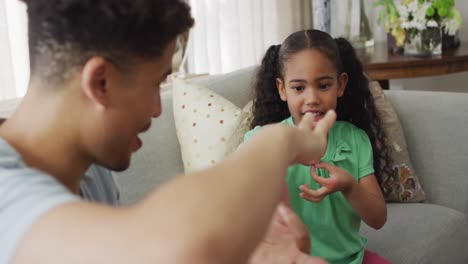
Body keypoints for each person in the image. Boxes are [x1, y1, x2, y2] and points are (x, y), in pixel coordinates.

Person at [0, 1, 335, 263]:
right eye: (157, 84)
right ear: (100, 83)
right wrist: (284, 139)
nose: (157, 110)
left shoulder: (93, 168)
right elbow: (178, 246)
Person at [244, 29, 392, 264]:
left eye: (323, 86)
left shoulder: (355, 140)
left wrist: (349, 186)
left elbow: (378, 218)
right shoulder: (262, 139)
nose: (312, 98)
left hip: (351, 259)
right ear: (282, 90)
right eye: (299, 88)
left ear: (340, 84)